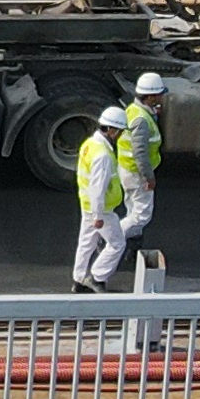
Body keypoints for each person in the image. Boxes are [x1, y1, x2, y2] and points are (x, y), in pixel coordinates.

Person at [70, 104, 129, 292]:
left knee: (87, 242)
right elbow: (98, 187)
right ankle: (97, 276)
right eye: (119, 131)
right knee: (117, 243)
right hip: (101, 209)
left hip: (88, 204)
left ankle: (79, 279)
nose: (120, 135)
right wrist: (98, 216)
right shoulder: (103, 155)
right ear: (111, 130)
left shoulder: (90, 145)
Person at [117, 71, 165, 246]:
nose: (162, 97)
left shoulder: (134, 110)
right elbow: (140, 153)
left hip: (127, 169)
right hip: (137, 173)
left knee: (132, 209)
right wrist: (149, 177)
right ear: (151, 97)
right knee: (142, 215)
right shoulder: (141, 120)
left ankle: (132, 243)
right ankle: (112, 238)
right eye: (160, 94)